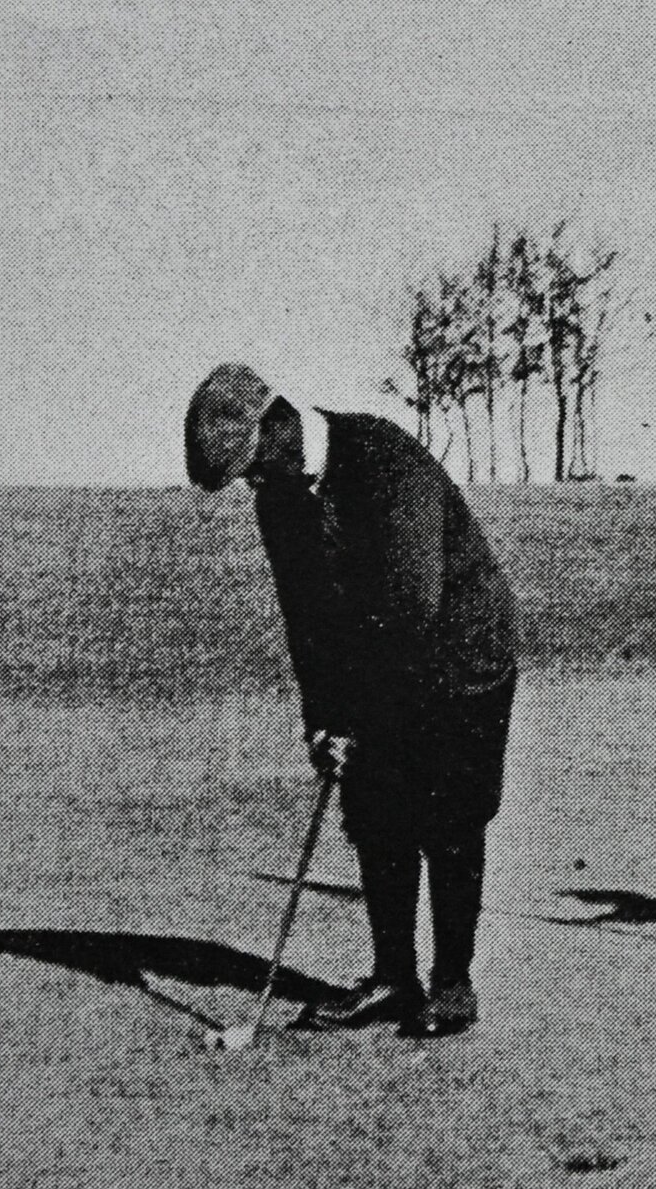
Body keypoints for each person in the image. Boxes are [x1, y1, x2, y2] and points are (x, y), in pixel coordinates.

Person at [185, 364, 519, 1038]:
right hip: (384, 667)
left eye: (252, 469)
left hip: (460, 656)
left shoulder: (384, 459)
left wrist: (359, 719)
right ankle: (394, 975)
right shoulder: (277, 500)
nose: (253, 486)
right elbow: (306, 622)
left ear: (277, 430)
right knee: (373, 810)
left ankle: (452, 984)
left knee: (450, 817)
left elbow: (410, 609)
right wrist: (324, 726)